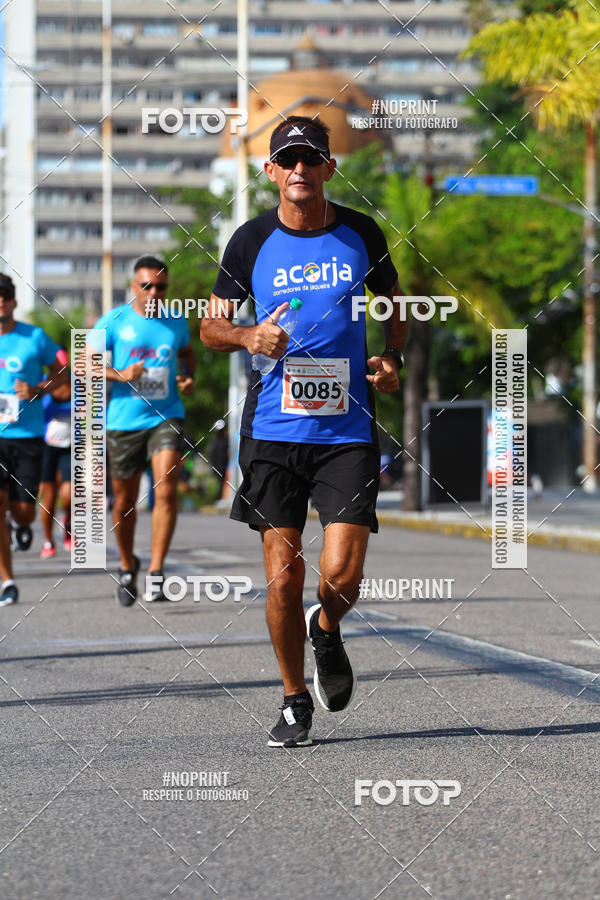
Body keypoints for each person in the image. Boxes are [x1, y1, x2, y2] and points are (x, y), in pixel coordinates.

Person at [201, 116, 407, 747]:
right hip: (271, 430)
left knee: (342, 573)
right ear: (271, 172)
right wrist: (245, 334)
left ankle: (328, 627)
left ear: (328, 168)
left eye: (309, 160)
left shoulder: (360, 233)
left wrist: (390, 358)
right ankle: (294, 698)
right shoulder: (249, 242)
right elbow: (210, 329)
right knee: (284, 575)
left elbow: (394, 305)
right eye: (286, 160)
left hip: (345, 430)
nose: (298, 170)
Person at [94, 256, 196, 606]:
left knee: (165, 489)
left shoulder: (176, 321)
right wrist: (120, 374)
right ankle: (126, 565)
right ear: (133, 287)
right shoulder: (115, 320)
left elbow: (187, 353)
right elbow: (82, 361)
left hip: (166, 415)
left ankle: (155, 572)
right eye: (146, 285)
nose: (154, 292)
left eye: (161, 286)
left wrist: (188, 376)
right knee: (123, 501)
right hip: (123, 421)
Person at [0, 274, 68, 606]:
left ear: (13, 301)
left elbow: (64, 369)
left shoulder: (34, 337)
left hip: (27, 436)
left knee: (24, 510)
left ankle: (21, 524)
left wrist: (38, 389)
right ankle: (8, 582)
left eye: (4, 295)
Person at [39, 348, 72, 558]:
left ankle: (68, 528)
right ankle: (49, 540)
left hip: (71, 446)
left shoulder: (79, 386)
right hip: (47, 447)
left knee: (69, 495)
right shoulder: (42, 386)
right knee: (48, 498)